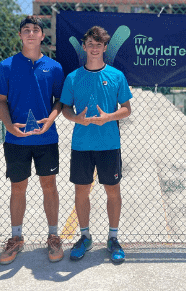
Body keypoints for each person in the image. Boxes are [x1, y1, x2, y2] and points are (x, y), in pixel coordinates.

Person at [60, 26, 133, 264]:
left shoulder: (116, 76)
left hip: (109, 144)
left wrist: (108, 117)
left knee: (113, 191)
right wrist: (76, 118)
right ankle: (85, 237)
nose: (94, 48)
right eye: (90, 44)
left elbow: (126, 109)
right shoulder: (72, 77)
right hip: (81, 145)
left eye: (98, 44)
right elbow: (65, 108)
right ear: (84, 46)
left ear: (104, 47)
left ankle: (113, 238)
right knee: (81, 191)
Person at [0, 16, 65, 264]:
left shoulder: (54, 67)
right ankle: (16, 238)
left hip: (46, 139)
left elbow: (60, 101)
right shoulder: (6, 66)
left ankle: (53, 236)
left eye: (35, 30)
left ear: (42, 36)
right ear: (20, 35)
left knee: (49, 186)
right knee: (18, 188)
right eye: (26, 30)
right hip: (16, 141)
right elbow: (0, 101)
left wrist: (50, 120)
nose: (31, 33)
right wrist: (8, 126)